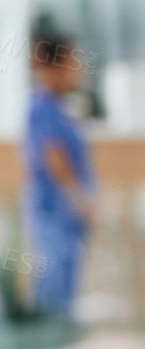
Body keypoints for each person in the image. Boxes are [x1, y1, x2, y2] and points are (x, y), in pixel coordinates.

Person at [22, 24, 95, 316]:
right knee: (52, 290)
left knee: (64, 291)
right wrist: (81, 200)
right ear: (54, 64)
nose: (76, 68)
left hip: (65, 218)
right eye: (70, 61)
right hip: (54, 214)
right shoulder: (41, 107)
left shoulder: (58, 107)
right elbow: (54, 159)